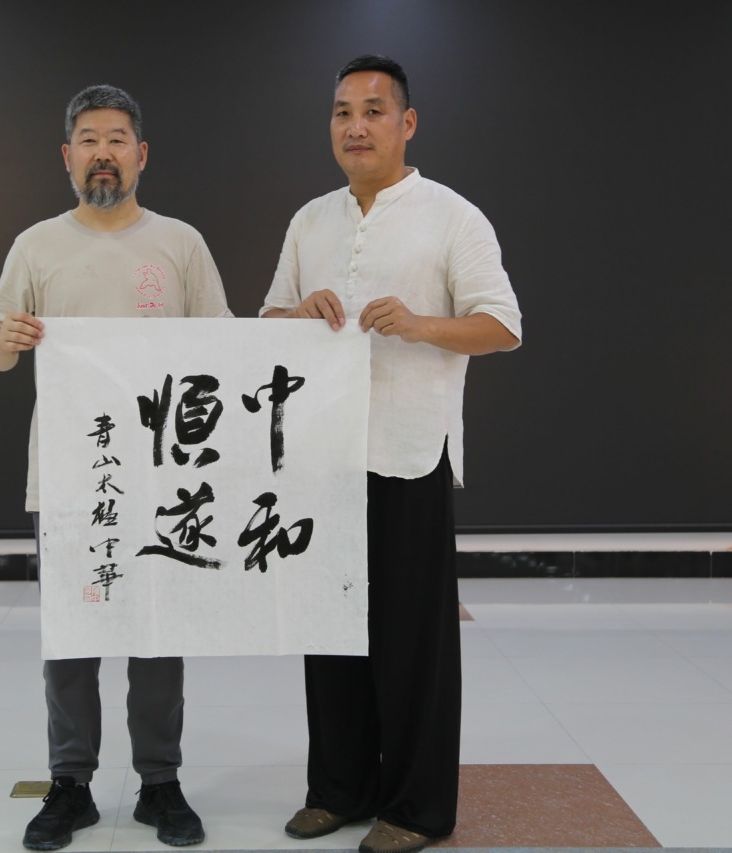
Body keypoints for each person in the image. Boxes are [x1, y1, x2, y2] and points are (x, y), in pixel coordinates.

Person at [260, 55, 523, 853]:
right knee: (329, 628)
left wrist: (420, 324)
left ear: (407, 124)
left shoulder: (452, 217)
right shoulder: (310, 221)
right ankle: (338, 789)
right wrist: (296, 315)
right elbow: (266, 320)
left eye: (374, 111)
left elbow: (503, 325)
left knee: (412, 641)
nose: (356, 126)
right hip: (322, 455)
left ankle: (415, 806)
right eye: (342, 111)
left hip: (410, 449)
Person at [0, 84, 231, 850]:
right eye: (88, 139)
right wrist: (5, 340)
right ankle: (70, 783)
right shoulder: (36, 244)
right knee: (71, 637)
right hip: (68, 474)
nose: (103, 153)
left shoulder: (180, 243)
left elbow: (223, 347)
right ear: (67, 156)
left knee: (157, 636)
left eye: (117, 139)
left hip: (159, 474)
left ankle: (160, 781)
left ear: (141, 154)